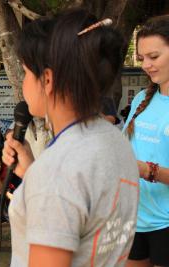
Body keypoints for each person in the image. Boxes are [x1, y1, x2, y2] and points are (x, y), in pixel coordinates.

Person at [3, 11, 139, 266]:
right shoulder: (116, 141)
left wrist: (42, 175)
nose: (23, 85)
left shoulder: (57, 170)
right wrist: (33, 173)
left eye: (25, 73)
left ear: (47, 79)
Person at [124, 16, 169, 267]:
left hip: (166, 223)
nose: (146, 65)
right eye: (142, 58)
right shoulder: (143, 98)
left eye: (154, 56)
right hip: (135, 219)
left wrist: (147, 170)